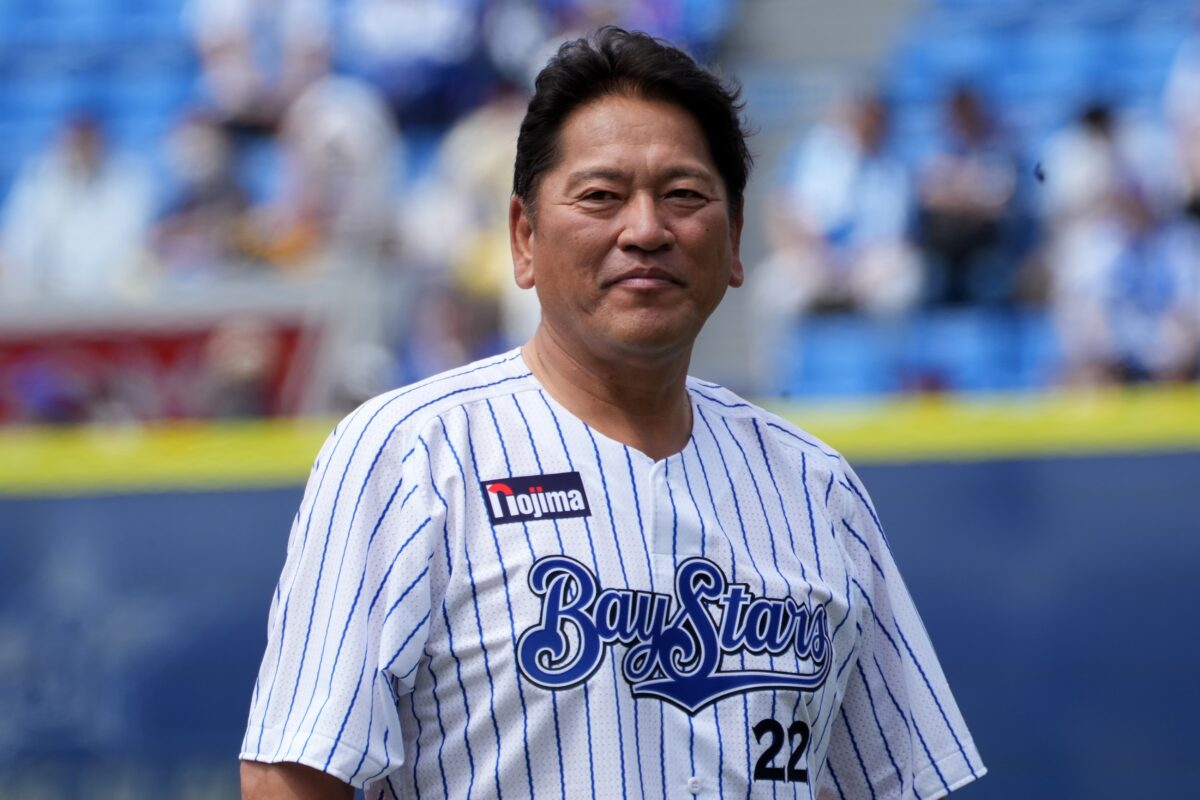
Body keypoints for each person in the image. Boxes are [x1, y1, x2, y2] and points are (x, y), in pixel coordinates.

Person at [239, 27, 986, 799]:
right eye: (600, 196)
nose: (646, 230)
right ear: (523, 239)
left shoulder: (817, 488)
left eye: (684, 195)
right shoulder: (411, 454)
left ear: (735, 241)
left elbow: (896, 783)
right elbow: (288, 778)